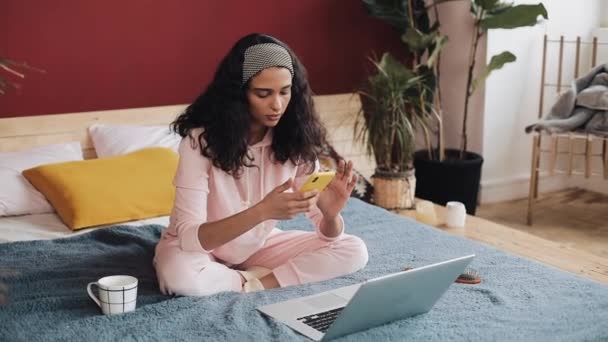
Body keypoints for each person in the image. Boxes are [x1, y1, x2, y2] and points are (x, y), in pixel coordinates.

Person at [153, 33, 368, 296]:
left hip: (255, 249)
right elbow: (189, 238)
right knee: (181, 279)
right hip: (195, 250)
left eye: (285, 92)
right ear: (239, 94)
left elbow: (328, 238)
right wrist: (262, 211)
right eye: (263, 94)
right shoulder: (199, 143)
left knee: (353, 250)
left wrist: (331, 216)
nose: (277, 105)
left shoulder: (294, 141)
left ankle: (253, 283)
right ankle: (244, 279)